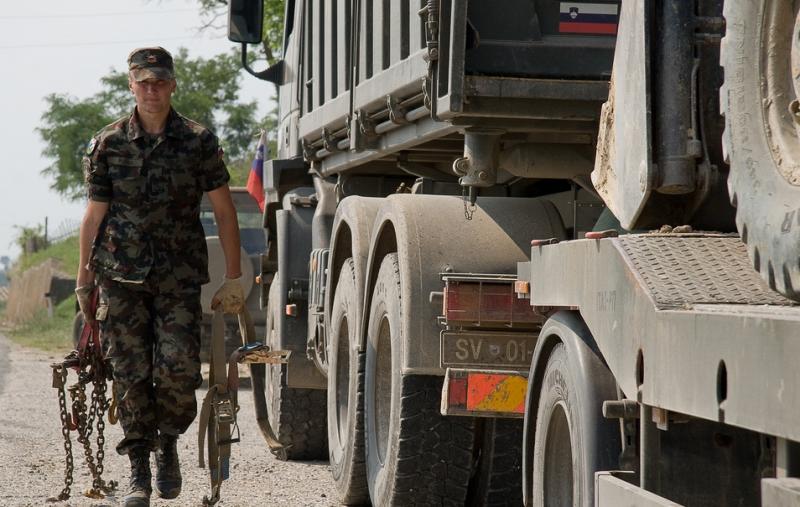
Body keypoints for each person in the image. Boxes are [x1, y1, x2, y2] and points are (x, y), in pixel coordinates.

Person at [74, 47, 245, 507]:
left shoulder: (198, 141)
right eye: (143, 82)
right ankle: (137, 471)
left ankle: (167, 443)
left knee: (176, 370)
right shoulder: (108, 143)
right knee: (130, 374)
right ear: (131, 85)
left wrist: (234, 278)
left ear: (171, 85)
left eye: (159, 82)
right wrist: (83, 280)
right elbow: (93, 218)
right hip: (119, 277)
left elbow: (225, 213)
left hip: (178, 277)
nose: (151, 90)